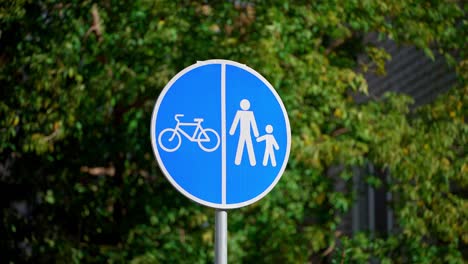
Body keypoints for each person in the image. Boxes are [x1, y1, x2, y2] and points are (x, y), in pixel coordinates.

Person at [229, 99, 259, 166]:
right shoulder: (239, 113)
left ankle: (252, 161)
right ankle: (238, 161)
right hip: (242, 133)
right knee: (242, 145)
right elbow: (235, 122)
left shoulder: (250, 114)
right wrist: (232, 131)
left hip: (247, 133)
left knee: (248, 145)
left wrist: (256, 133)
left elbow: (253, 123)